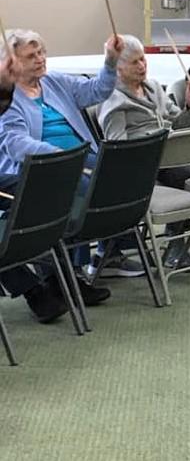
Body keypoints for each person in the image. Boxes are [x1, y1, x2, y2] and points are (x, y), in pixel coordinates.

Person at [0, 29, 125, 321]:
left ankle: (66, 276)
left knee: (114, 180)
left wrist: (110, 61)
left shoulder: (53, 82)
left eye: (41, 52)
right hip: (43, 168)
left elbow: (97, 91)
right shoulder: (10, 97)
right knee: (56, 201)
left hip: (76, 162)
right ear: (12, 62)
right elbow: (16, 143)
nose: (40, 59)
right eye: (31, 56)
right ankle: (48, 284)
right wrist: (64, 158)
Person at [98, 34, 190, 268]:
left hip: (170, 151)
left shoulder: (153, 86)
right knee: (185, 174)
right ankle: (175, 243)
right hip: (141, 160)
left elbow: (180, 123)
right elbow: (118, 147)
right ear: (118, 67)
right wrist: (152, 141)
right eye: (135, 62)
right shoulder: (111, 99)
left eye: (143, 59)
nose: (142, 65)